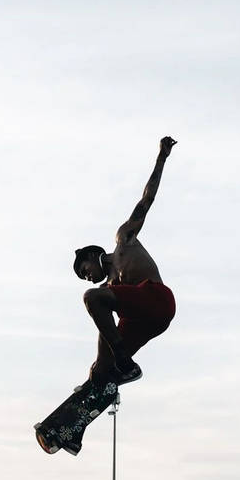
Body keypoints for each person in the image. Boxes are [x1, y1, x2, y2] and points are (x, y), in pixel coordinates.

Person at [73, 136, 178, 386]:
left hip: (157, 299)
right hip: (141, 318)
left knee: (92, 296)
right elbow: (104, 328)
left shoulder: (124, 241)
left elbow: (146, 200)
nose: (86, 277)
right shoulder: (108, 288)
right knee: (99, 370)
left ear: (91, 255)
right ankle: (82, 409)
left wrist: (161, 158)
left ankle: (121, 360)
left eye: (84, 270)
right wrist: (99, 365)